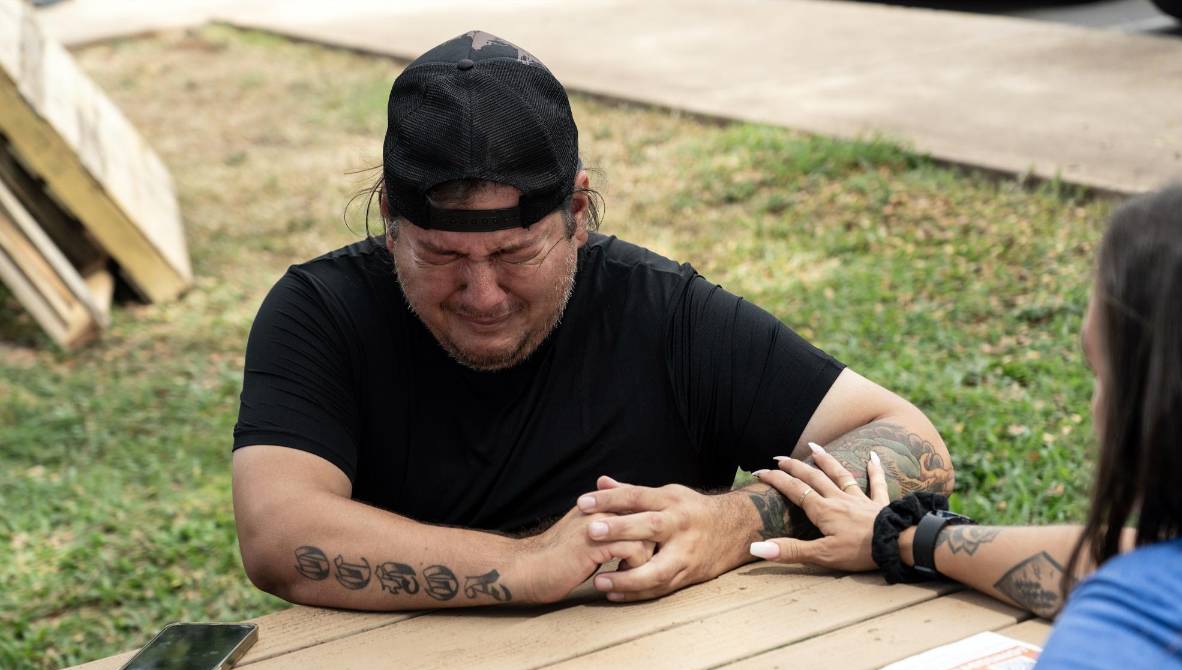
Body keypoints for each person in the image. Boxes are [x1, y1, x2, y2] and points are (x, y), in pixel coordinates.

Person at [230, 31, 954, 611]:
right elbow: (277, 531)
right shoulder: (320, 312)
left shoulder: (663, 312)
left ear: (577, 212)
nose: (482, 295)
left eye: (516, 253)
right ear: (390, 218)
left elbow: (913, 444)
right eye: (442, 255)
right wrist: (526, 566)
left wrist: (732, 522)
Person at [750, 176, 1182, 670]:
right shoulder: (1150, 587)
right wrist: (905, 536)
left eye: (1100, 374)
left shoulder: (1129, 632)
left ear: (1165, 408)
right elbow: (1118, 561)